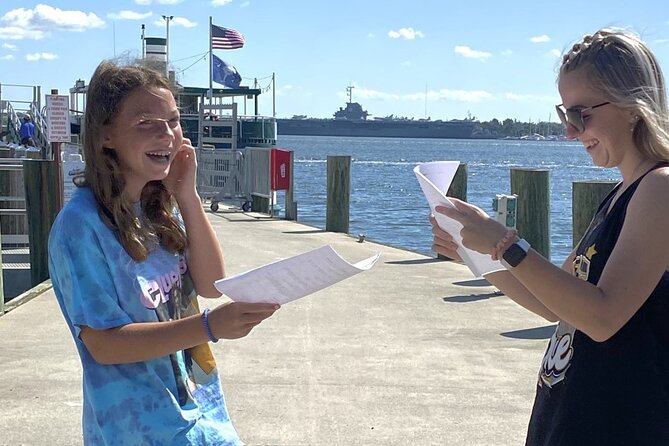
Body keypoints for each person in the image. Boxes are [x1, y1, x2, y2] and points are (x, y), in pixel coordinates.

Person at [430, 28, 669, 445]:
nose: (570, 133)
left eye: (581, 115)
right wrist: (478, 254)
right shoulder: (619, 196)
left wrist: (504, 244)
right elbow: (550, 304)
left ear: (633, 106)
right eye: (564, 115)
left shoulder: (660, 187)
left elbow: (602, 317)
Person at [48, 60, 280, 445]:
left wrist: (186, 195)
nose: (167, 135)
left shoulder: (157, 208)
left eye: (173, 121)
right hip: (139, 429)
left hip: (203, 416)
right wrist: (209, 327)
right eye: (146, 123)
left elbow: (210, 284)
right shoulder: (80, 226)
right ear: (106, 135)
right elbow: (103, 344)